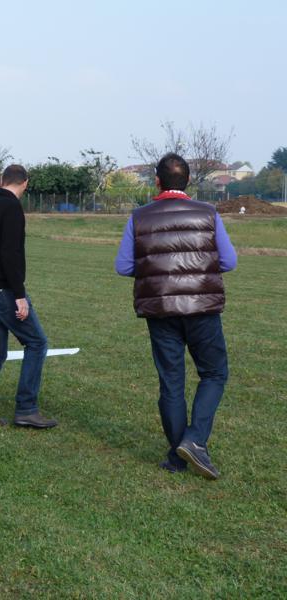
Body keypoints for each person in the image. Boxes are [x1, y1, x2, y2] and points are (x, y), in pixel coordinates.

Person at [115, 153, 237, 479]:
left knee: (171, 382)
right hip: (202, 308)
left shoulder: (138, 217)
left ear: (157, 181)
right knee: (214, 373)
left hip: (160, 310)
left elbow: (124, 266)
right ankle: (195, 439)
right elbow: (229, 261)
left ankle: (177, 456)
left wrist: (157, 269)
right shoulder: (208, 213)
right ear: (189, 181)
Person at [0, 164, 57, 430]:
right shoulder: (12, 209)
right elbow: (11, 254)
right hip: (2, 290)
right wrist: (19, 295)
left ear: (1, 180)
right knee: (37, 343)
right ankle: (27, 409)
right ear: (25, 183)